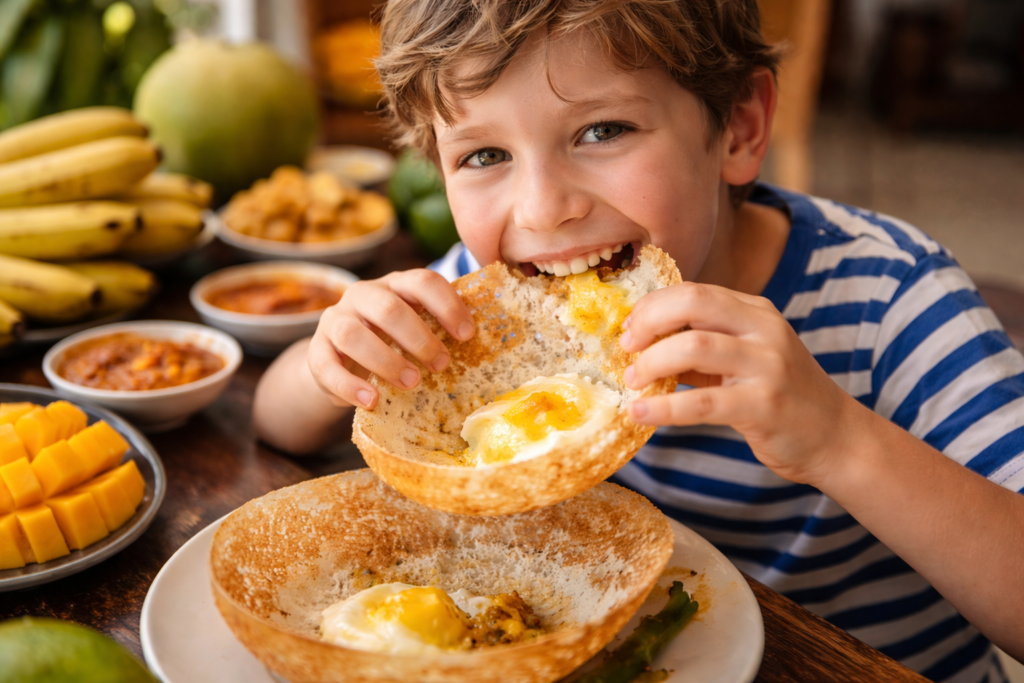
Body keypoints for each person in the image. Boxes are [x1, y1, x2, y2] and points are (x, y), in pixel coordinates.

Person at [253, 1, 1024, 679]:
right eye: (484, 155)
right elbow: (276, 421)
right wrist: (334, 364)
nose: (543, 208)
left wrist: (840, 440)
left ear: (741, 128)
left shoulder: (889, 299)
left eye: (602, 130)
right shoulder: (482, 306)